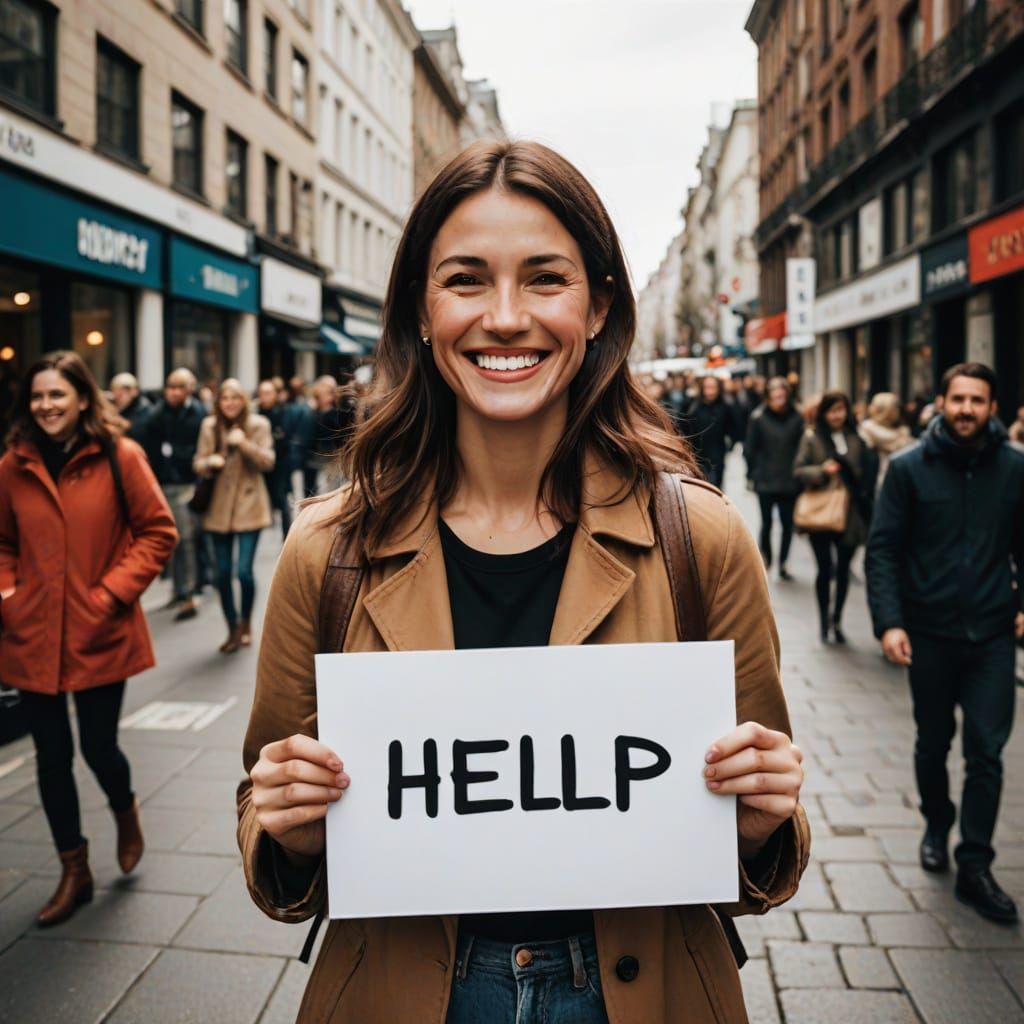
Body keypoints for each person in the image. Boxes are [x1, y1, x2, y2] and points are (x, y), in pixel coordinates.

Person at [236, 140, 808, 1024]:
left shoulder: (701, 536)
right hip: (405, 989)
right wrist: (290, 829)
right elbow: (265, 806)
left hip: (640, 988)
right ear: (422, 310)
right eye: (466, 279)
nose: (505, 317)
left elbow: (748, 832)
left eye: (545, 278)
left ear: (598, 304)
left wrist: (764, 817)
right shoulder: (327, 548)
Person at [0, 351, 176, 926]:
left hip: (100, 630)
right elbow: (2, 542)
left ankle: (125, 810)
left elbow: (157, 531)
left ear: (81, 397)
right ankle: (73, 870)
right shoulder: (12, 464)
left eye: (57, 395)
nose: (46, 406)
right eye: (38, 396)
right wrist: (9, 594)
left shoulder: (119, 455)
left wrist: (108, 595)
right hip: (32, 634)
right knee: (51, 757)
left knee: (99, 749)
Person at [866, 363, 1024, 924]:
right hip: (928, 633)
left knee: (986, 749)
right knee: (933, 742)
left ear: (992, 407)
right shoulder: (909, 469)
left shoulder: (1014, 468)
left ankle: (975, 862)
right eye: (957, 399)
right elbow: (882, 547)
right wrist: (889, 622)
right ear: (940, 401)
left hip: (992, 635)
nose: (965, 409)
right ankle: (937, 821)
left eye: (977, 400)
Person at [193, 379, 275, 653]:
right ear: (218, 402)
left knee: (244, 572)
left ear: (243, 401)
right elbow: (198, 462)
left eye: (235, 398)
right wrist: (209, 462)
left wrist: (244, 444)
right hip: (218, 508)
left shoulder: (259, 425)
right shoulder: (209, 426)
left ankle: (246, 623)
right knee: (222, 573)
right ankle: (231, 628)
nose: (230, 403)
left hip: (250, 505)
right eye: (225, 398)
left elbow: (268, 461)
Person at [793, 390, 875, 644]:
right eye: (832, 410)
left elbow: (865, 474)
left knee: (843, 569)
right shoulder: (812, 438)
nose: (837, 415)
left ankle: (836, 617)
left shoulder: (857, 440)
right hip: (823, 511)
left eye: (842, 409)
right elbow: (798, 470)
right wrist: (822, 470)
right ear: (824, 413)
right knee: (824, 568)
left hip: (850, 514)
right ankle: (823, 621)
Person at [138, 368, 207, 619]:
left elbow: (201, 446)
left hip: (187, 483)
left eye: (179, 387)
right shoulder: (158, 413)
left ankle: (189, 591)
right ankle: (178, 590)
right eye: (170, 387)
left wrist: (178, 456)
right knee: (172, 539)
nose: (174, 392)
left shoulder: (199, 413)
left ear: (189, 389)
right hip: (164, 482)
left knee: (187, 538)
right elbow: (147, 439)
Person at [745, 377, 804, 580]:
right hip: (766, 479)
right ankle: (766, 556)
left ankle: (784, 562)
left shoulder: (797, 417)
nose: (779, 399)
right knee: (767, 521)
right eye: (775, 396)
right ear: (768, 397)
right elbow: (750, 449)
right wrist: (751, 474)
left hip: (789, 479)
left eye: (782, 395)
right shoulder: (758, 418)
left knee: (788, 524)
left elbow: (802, 448)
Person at [682, 375, 736, 489]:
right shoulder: (693, 407)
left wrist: (730, 443)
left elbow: (733, 428)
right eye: (707, 387)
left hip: (718, 456)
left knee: (716, 488)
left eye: (713, 387)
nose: (710, 391)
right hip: (698, 457)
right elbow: (686, 430)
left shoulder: (725, 407)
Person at [256, 379, 294, 539]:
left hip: (280, 465)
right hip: (260, 465)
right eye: (261, 393)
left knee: (282, 500)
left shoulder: (284, 413)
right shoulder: (255, 413)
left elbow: (286, 438)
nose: (264, 397)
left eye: (268, 393)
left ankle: (288, 537)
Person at [858, 391, 914, 492]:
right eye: (894, 407)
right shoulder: (868, 429)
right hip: (879, 480)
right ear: (886, 410)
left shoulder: (902, 430)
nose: (897, 410)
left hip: (904, 479)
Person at [109, 372, 152, 439]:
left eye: (126, 389)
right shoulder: (108, 406)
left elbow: (141, 433)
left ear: (135, 391)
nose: (122, 392)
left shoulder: (144, 409)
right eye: (117, 388)